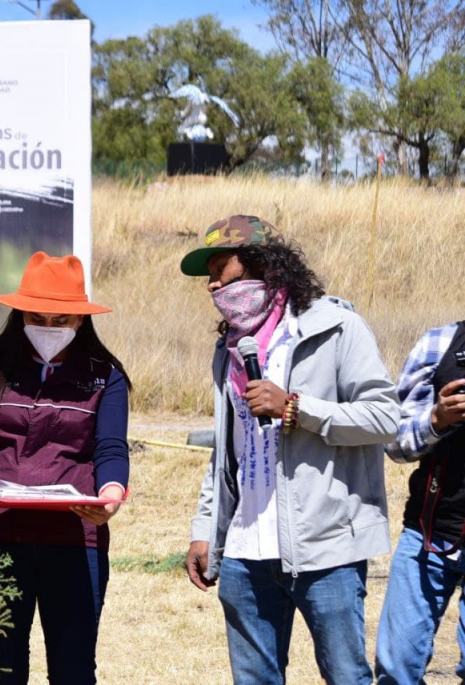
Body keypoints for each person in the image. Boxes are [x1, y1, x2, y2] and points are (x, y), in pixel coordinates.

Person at [179, 215, 399, 685]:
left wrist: (297, 408)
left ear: (263, 265)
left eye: (221, 268)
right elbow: (227, 452)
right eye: (209, 276)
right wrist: (204, 528)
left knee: (346, 677)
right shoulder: (229, 350)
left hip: (326, 550)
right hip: (244, 553)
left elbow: (385, 417)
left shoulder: (337, 328)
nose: (213, 284)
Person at [0, 251, 130, 685]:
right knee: (1, 667)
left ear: (81, 320)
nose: (49, 329)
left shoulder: (104, 375)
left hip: (75, 539)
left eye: (62, 321)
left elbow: (111, 448)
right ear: (19, 314)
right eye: (37, 318)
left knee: (74, 669)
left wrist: (112, 495)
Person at [375, 321, 465, 683]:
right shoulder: (439, 343)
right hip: (428, 533)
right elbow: (394, 443)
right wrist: (436, 419)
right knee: (396, 669)